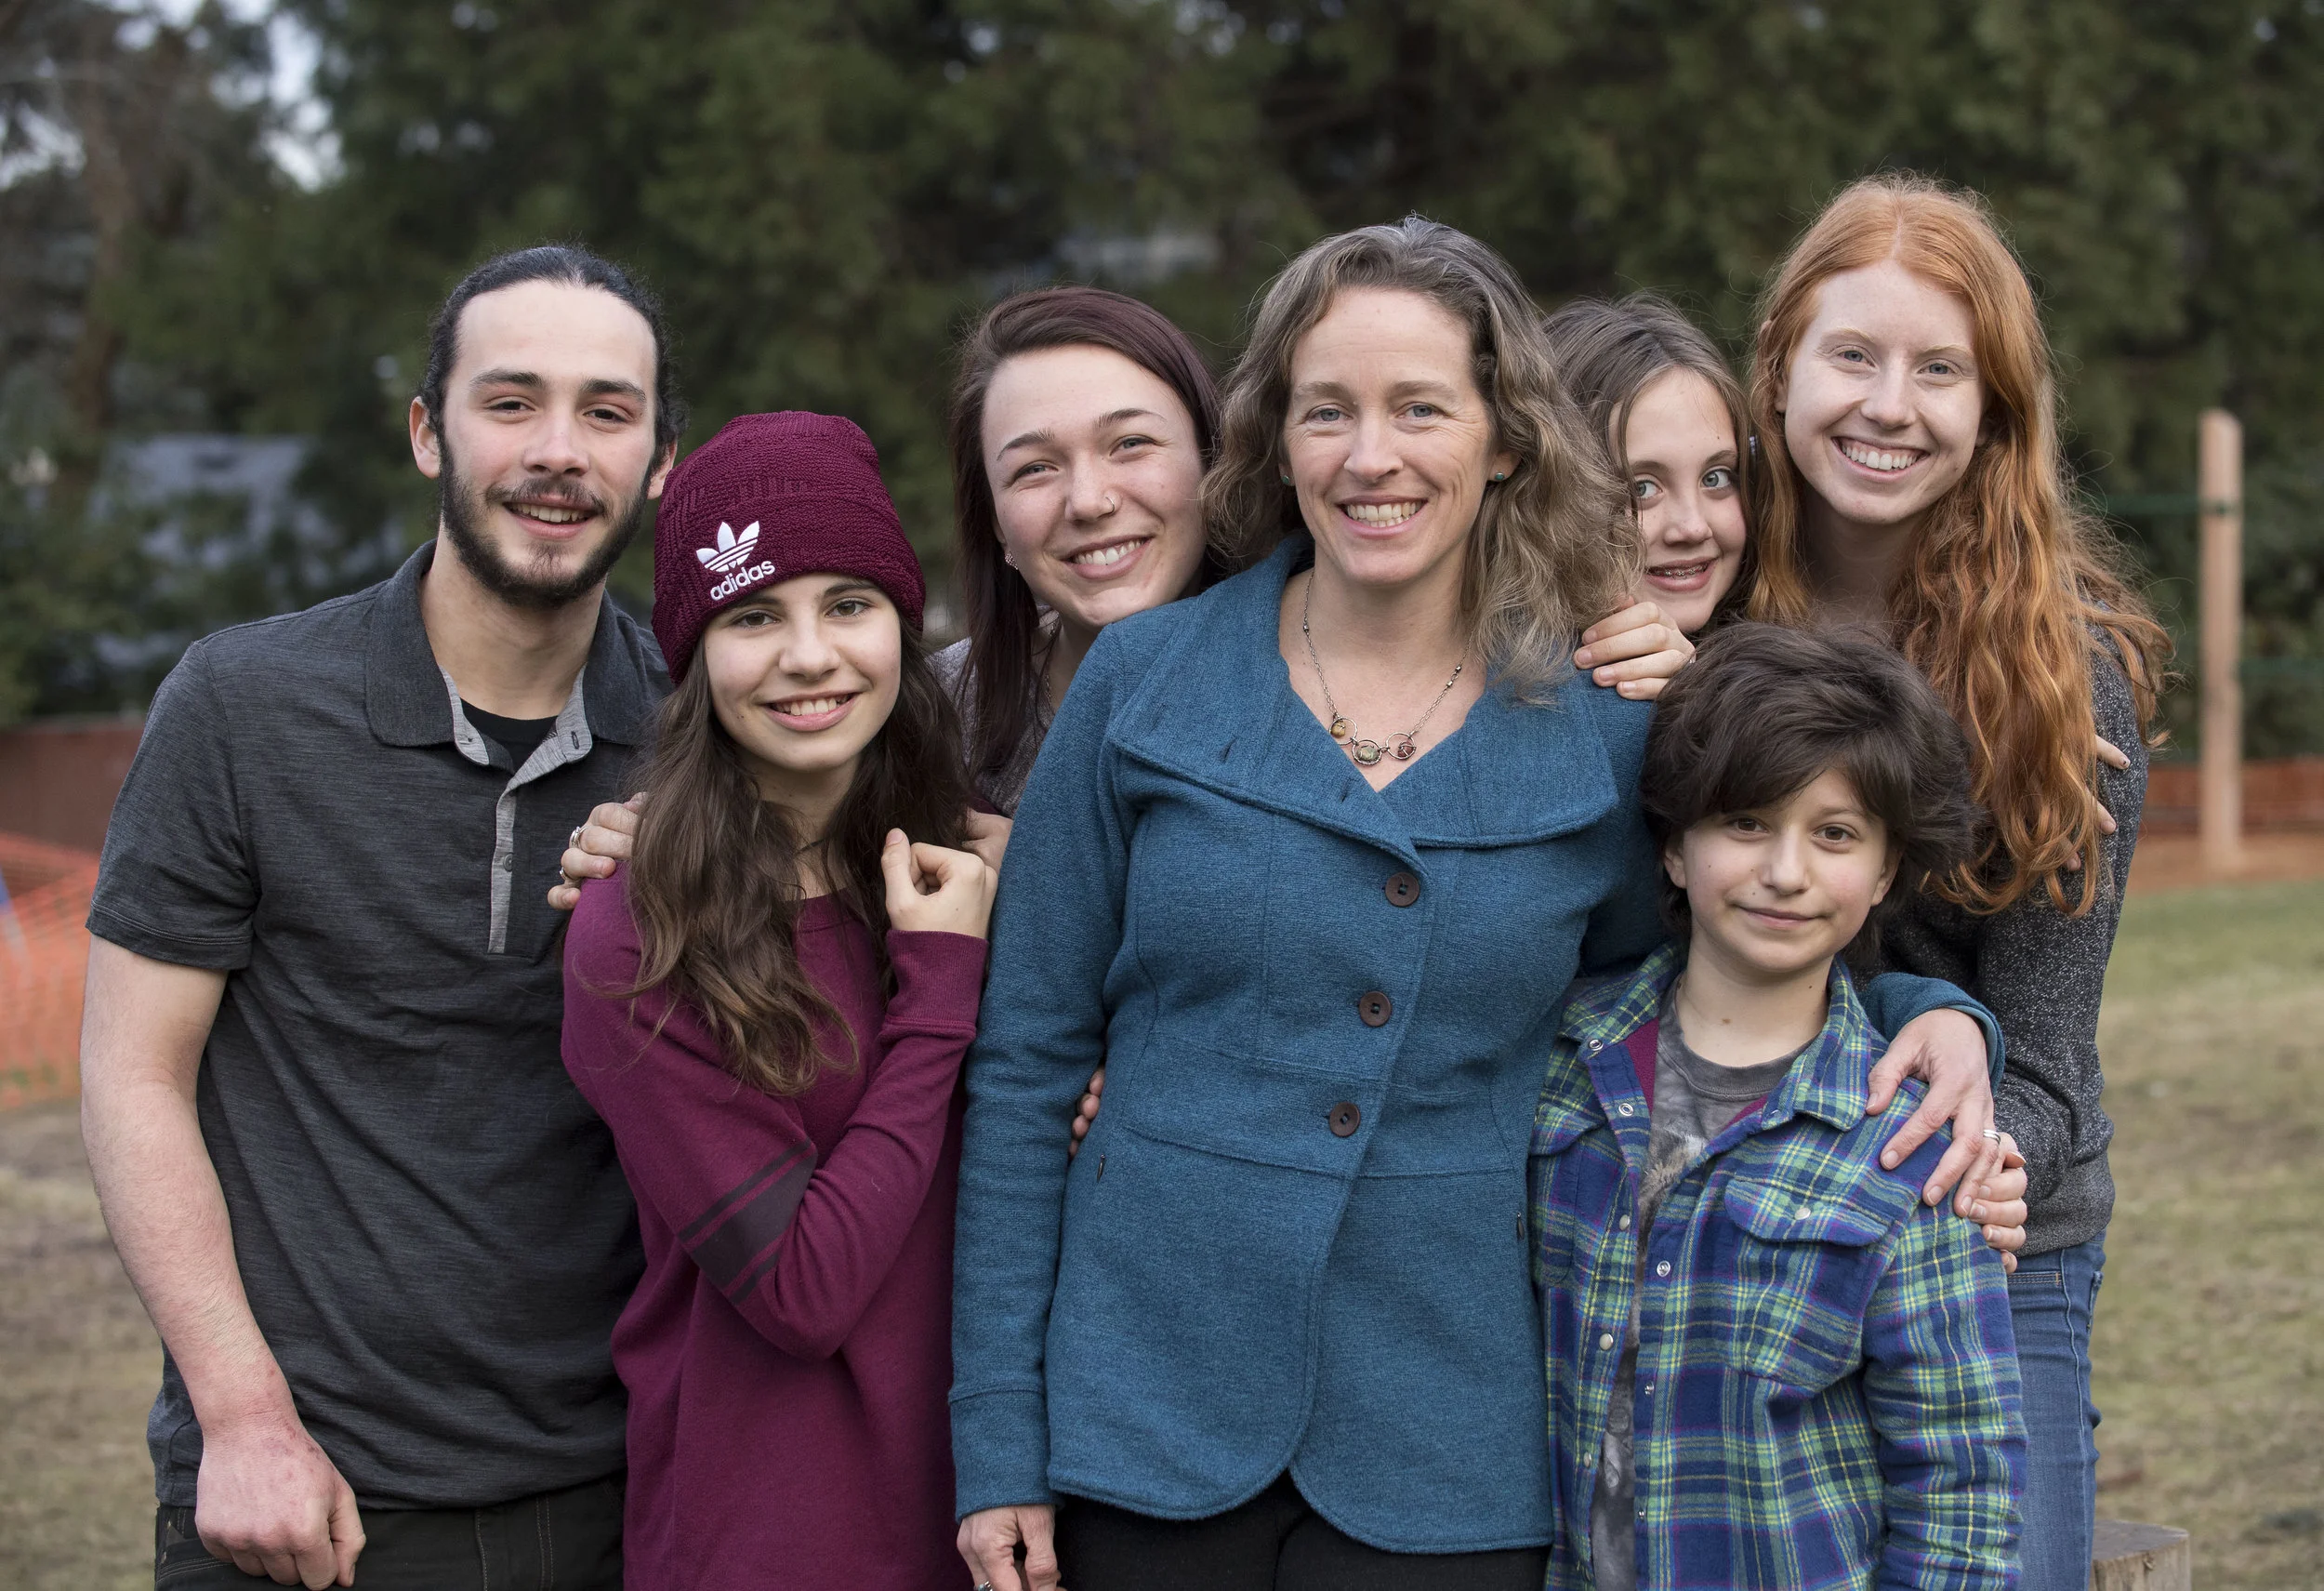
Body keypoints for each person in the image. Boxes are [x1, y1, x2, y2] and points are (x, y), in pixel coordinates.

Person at [949, 217, 2009, 1591]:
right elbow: (1025, 1067)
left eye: (1419, 409)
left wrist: (1927, 1008)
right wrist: (999, 1445)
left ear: (1504, 438)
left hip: (1448, 1430)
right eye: (1328, 410)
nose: (1369, 456)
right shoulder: (1142, 684)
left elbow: (1708, 981)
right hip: (1144, 1404)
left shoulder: (1604, 730)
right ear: (1277, 435)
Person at [79, 245, 682, 1590]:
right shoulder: (240, 706)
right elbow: (133, 1074)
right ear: (428, 431)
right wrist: (240, 1416)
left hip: (620, 1486)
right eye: (510, 401)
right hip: (299, 1497)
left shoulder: (704, 736)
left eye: (606, 410)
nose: (557, 451)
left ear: (658, 462)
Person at [1743, 173, 2170, 1589]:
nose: (1890, 404)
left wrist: (1975, 1160)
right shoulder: (1697, 615)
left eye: (1941, 370)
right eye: (1851, 355)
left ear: (1995, 412)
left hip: (1990, 1230)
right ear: (1781, 367)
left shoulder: (2062, 677)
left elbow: (2045, 1070)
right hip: (1736, 1198)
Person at [561, 412, 994, 1588]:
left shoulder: (968, 869)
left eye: (849, 605)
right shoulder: (638, 934)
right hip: (777, 1535)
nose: (811, 656)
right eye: (755, 616)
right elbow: (801, 1289)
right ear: (695, 653)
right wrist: (940, 987)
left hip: (1000, 1510)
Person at [1533, 622, 2025, 1591]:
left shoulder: (1913, 1146)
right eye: (1746, 823)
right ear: (1673, 848)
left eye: (1833, 833)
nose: (1785, 871)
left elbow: (1962, 1486)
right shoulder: (1556, 1062)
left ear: (1884, 872)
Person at [1543, 293, 1754, 637]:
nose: (1693, 527)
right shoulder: (1487, 679)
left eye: (1715, 478)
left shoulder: (1777, 666)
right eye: (1640, 487)